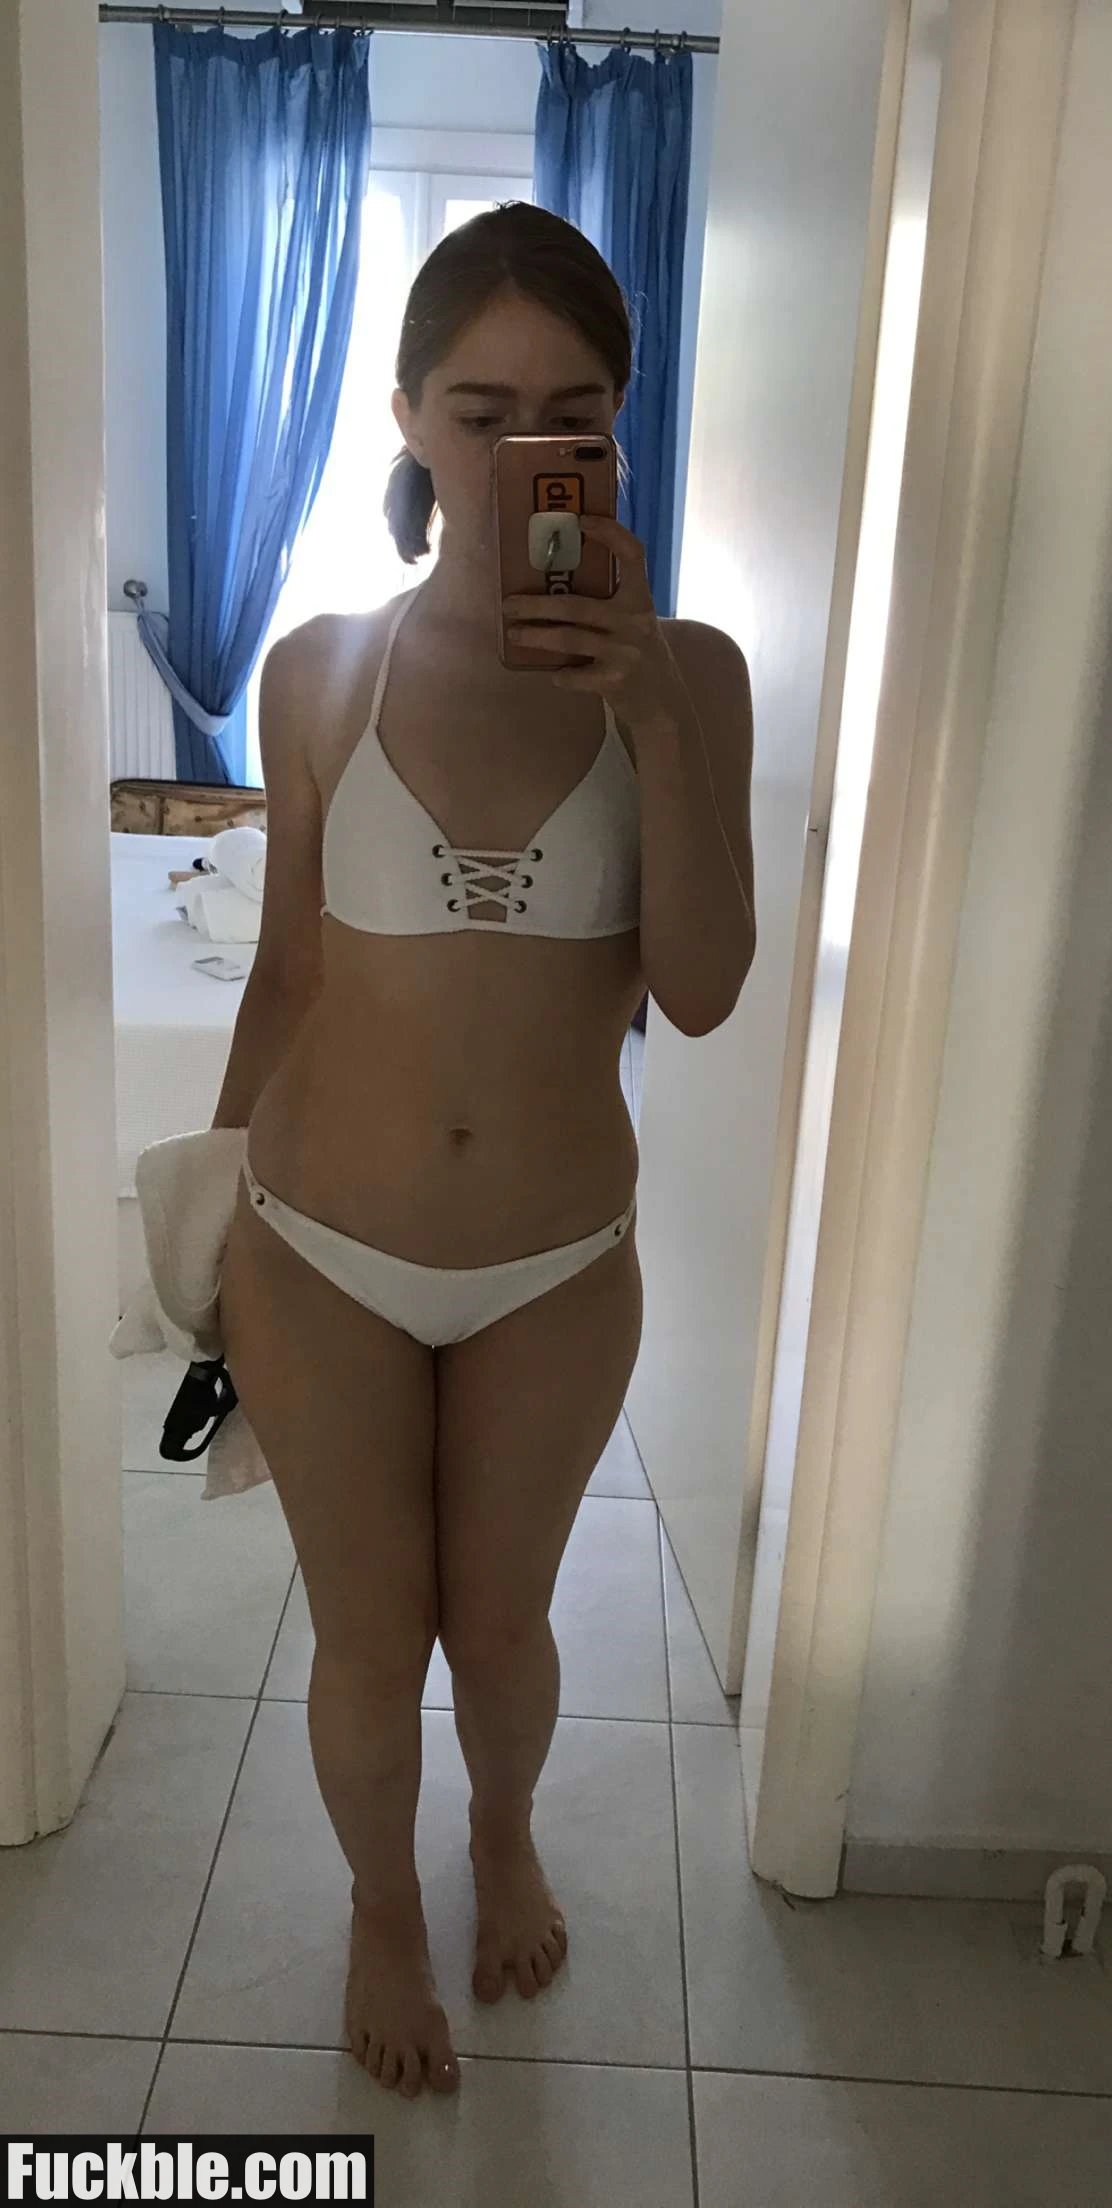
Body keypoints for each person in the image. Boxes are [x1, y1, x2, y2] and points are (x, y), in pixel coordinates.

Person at [215, 202, 756, 2103]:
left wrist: (654, 718)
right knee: (371, 1640)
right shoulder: (319, 668)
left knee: (504, 1625)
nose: (527, 446)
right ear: (406, 419)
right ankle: (384, 1904)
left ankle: (500, 1834)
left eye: (575, 415)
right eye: (479, 410)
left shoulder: (693, 672)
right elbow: (287, 966)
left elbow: (701, 993)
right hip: (317, 1244)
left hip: (554, 1261)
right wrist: (205, 1218)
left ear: (618, 428)